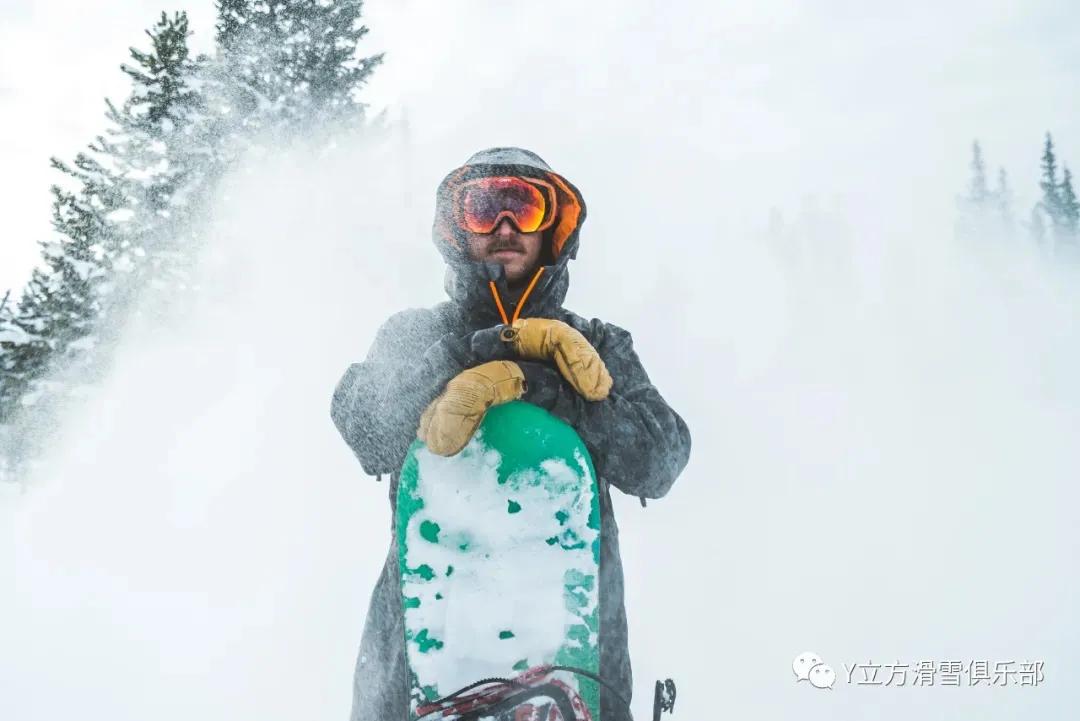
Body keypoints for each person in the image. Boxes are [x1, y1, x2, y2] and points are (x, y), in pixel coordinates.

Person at [331, 146, 692, 720]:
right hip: (416, 657)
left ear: (554, 227)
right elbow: (365, 428)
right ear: (457, 229)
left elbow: (660, 459)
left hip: (579, 658)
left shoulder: (600, 345)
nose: (504, 226)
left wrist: (546, 389)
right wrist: (468, 354)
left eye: (523, 207)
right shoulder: (414, 335)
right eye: (483, 208)